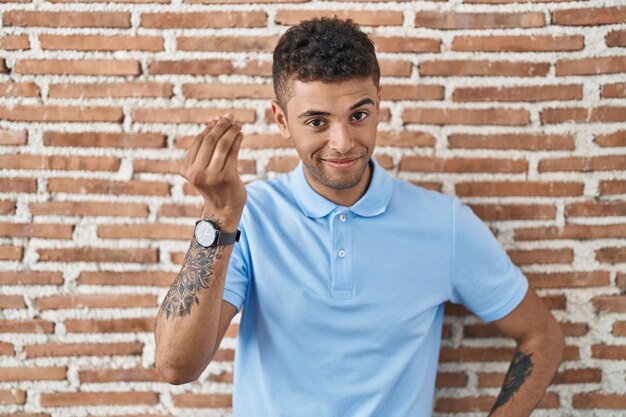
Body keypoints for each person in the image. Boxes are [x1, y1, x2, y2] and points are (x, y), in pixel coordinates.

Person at [154, 17, 565, 417]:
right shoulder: (250, 216)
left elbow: (541, 336)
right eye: (317, 121)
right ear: (282, 120)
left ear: (378, 105)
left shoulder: (444, 224)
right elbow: (176, 366)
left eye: (359, 115)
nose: (344, 142)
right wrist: (220, 213)